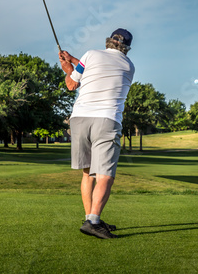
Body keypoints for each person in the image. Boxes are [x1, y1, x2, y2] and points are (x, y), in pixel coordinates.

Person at [58, 28, 135, 239]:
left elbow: (72, 84)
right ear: (126, 47)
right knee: (105, 175)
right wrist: (71, 60)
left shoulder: (90, 54)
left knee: (88, 172)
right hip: (106, 120)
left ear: (109, 41)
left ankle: (92, 218)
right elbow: (99, 68)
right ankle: (92, 221)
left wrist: (67, 67)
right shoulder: (129, 66)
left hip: (79, 119)